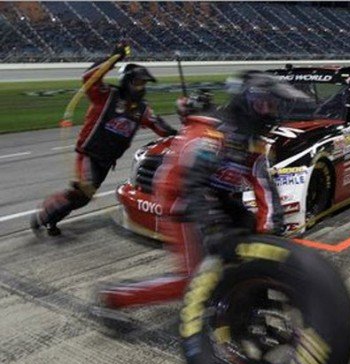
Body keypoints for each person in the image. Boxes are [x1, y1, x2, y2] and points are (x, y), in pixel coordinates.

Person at [94, 72, 307, 312]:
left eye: (274, 106)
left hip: (214, 196)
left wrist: (271, 231)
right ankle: (113, 298)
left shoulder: (252, 142)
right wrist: (214, 228)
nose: (270, 112)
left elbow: (264, 188)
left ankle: (244, 293)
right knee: (191, 281)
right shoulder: (210, 135)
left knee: (248, 234)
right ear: (248, 103)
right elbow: (191, 185)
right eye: (265, 105)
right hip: (180, 201)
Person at [31, 42, 178, 236]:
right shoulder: (106, 95)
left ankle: (50, 217)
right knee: (83, 192)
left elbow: (161, 127)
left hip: (107, 161)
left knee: (83, 197)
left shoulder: (141, 109)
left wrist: (181, 135)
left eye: (144, 83)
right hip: (89, 154)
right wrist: (113, 58)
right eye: (137, 82)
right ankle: (45, 216)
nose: (141, 87)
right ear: (126, 81)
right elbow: (88, 77)